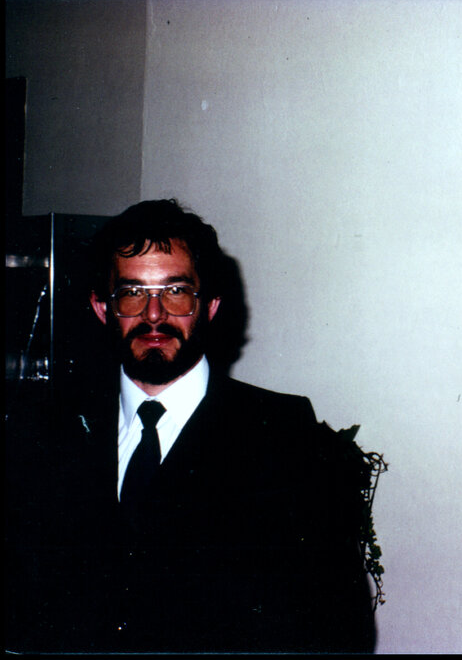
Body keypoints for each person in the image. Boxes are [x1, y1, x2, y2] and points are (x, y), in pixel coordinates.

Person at [5, 199, 376, 653]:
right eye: (132, 293)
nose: (155, 314)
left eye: (176, 291)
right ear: (102, 308)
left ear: (211, 306)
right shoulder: (46, 432)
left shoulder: (282, 437)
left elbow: (334, 624)